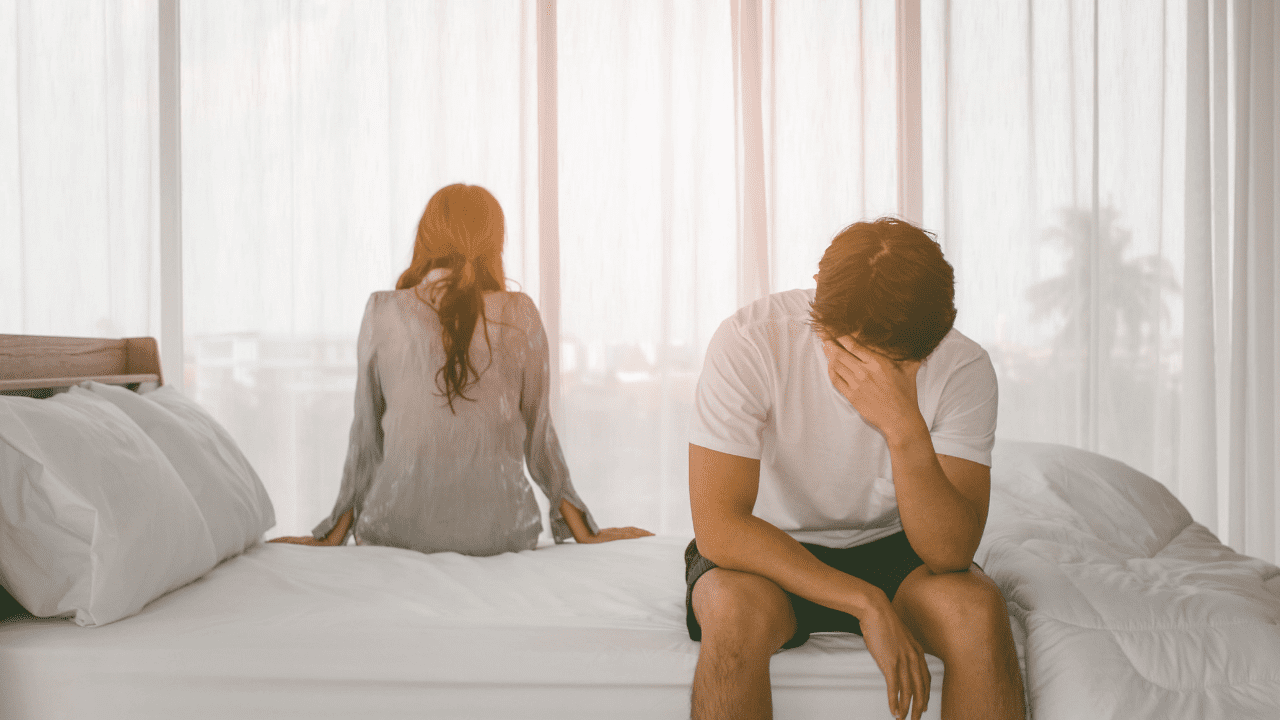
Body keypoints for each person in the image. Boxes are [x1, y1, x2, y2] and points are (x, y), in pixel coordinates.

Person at [684, 217, 1025, 720]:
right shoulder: (750, 341)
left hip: (897, 546)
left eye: (893, 358)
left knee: (978, 614)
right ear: (818, 295)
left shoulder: (961, 365)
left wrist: (903, 426)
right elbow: (719, 527)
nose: (864, 365)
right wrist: (864, 603)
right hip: (769, 550)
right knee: (732, 614)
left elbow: (950, 552)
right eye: (847, 344)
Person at [271, 184, 651, 554]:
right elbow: (540, 435)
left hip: (395, 529)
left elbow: (366, 434)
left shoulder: (382, 310)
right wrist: (584, 530)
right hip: (503, 532)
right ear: (494, 244)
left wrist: (335, 531)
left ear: (425, 238)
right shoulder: (520, 312)